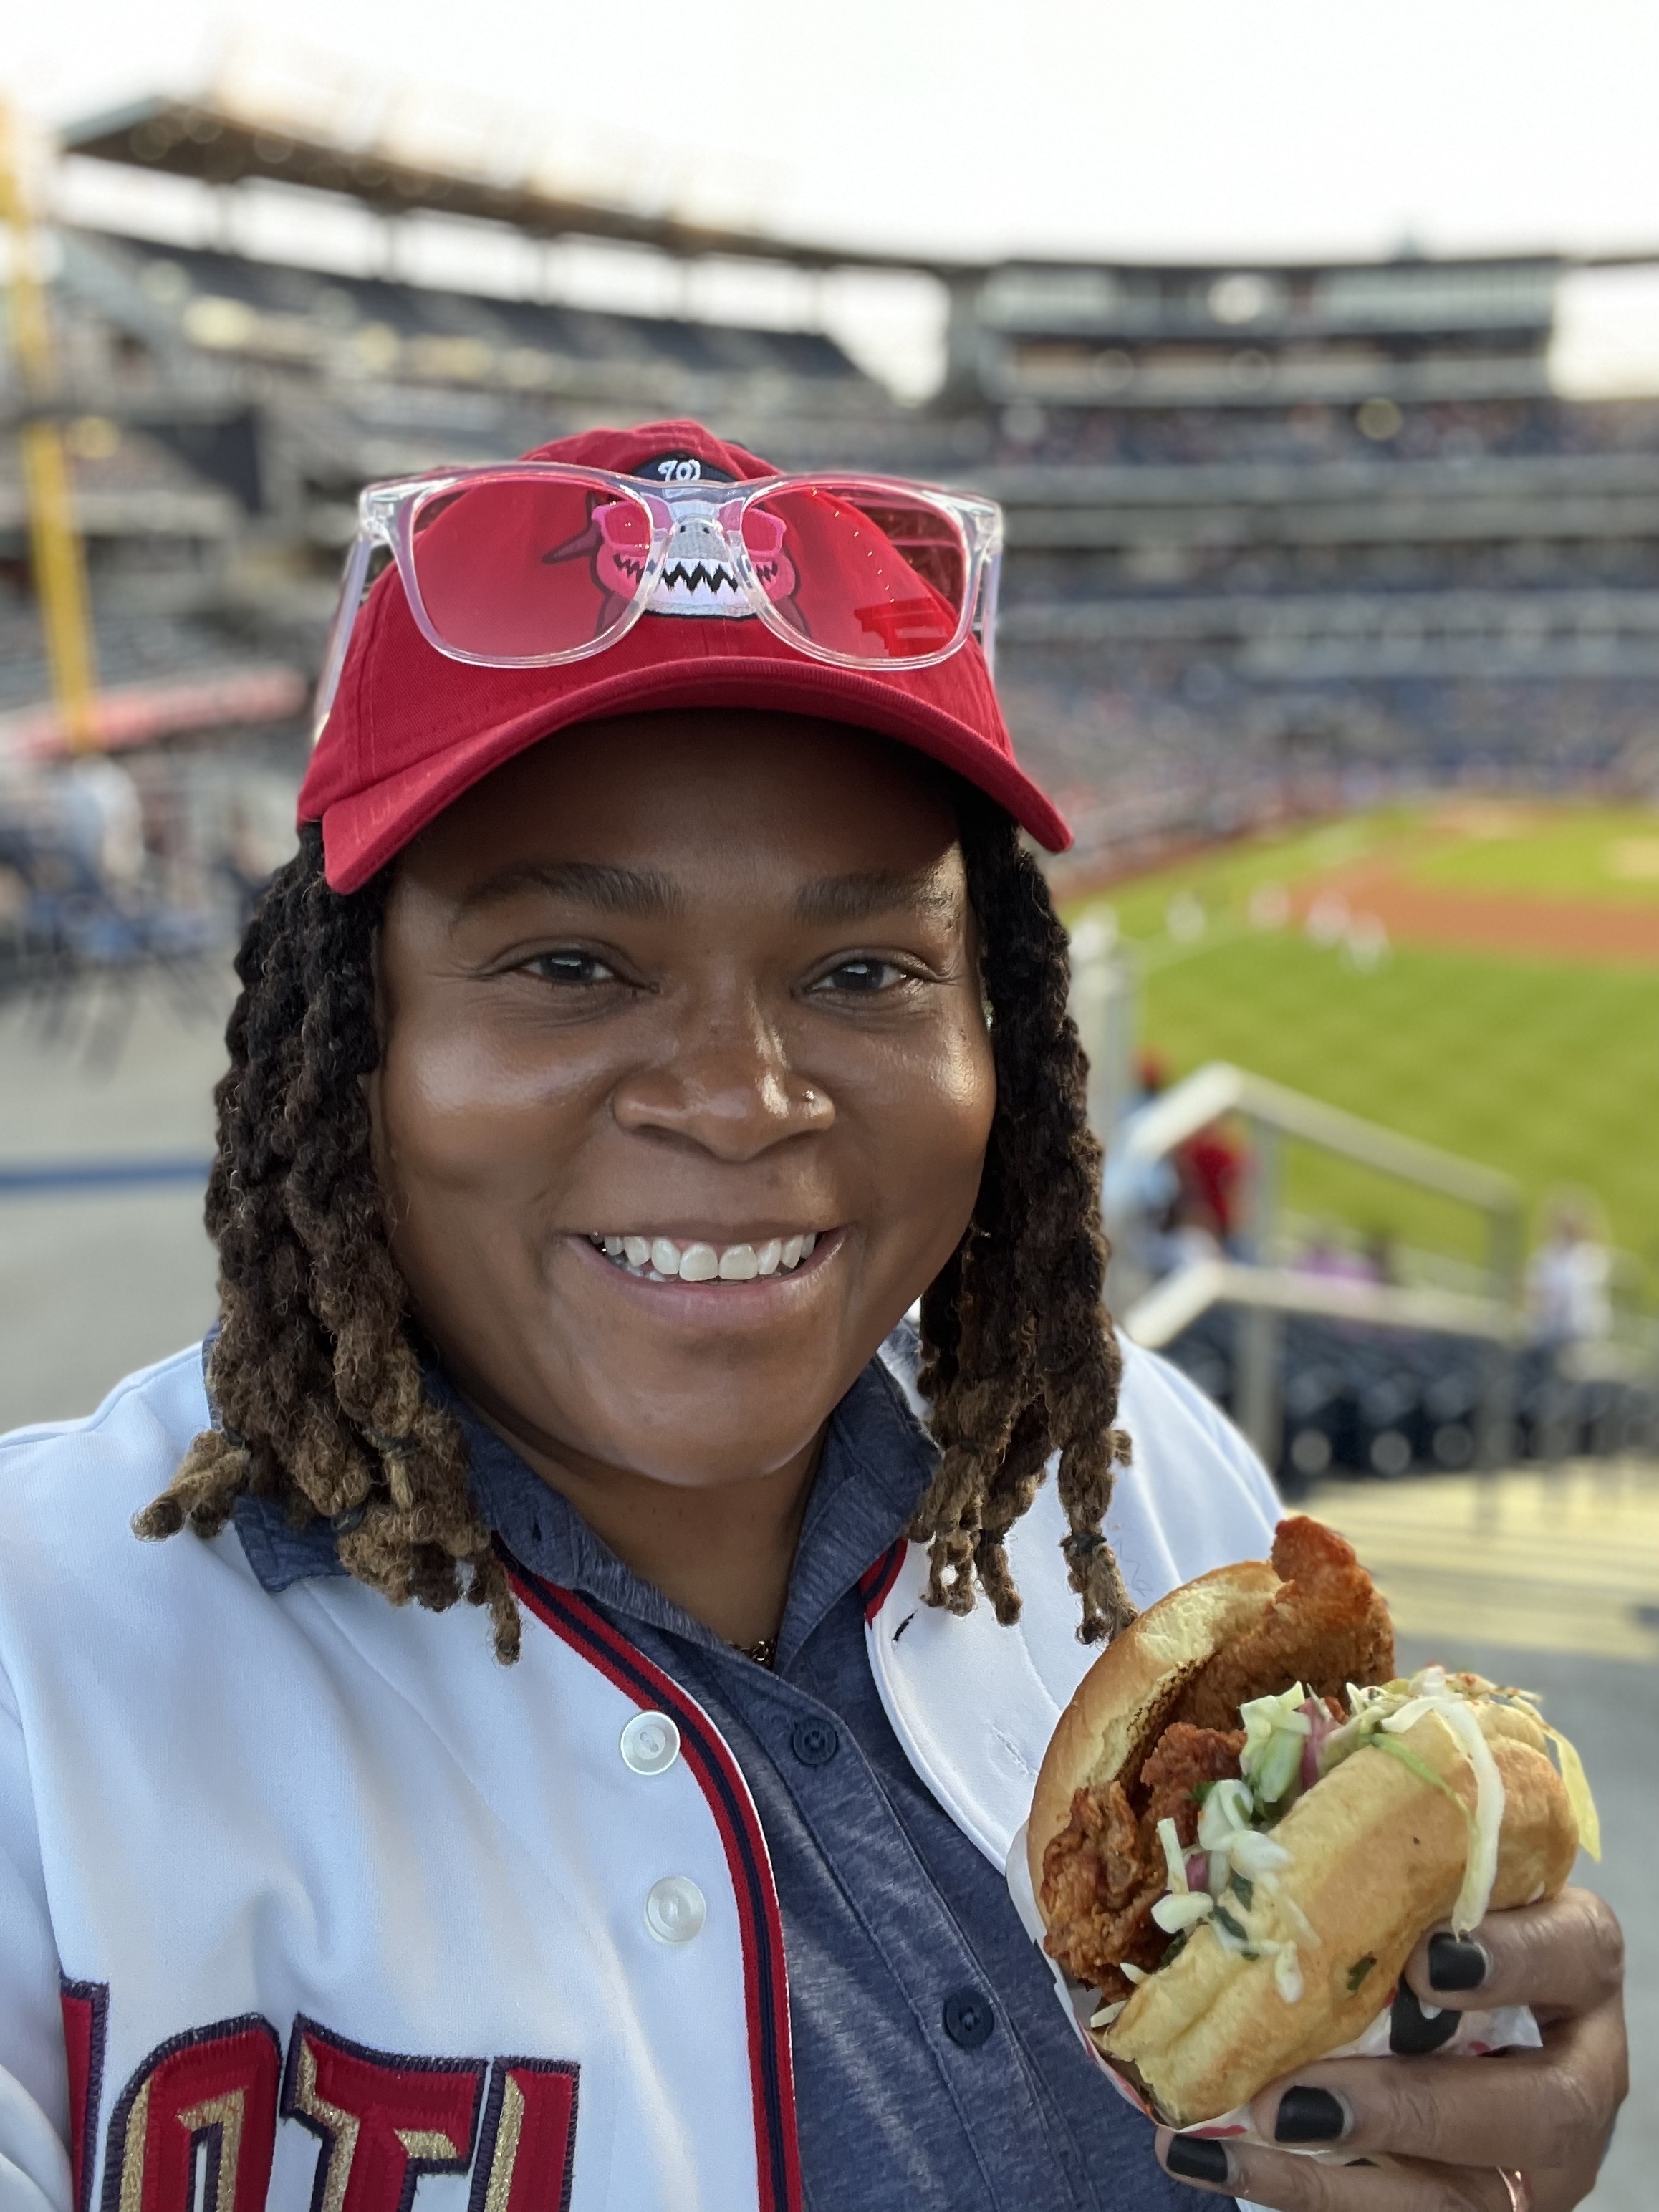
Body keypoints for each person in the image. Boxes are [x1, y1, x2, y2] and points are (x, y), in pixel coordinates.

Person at [0, 423, 1625, 2212]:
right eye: (570, 965)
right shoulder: (37, 1671)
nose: (739, 1094)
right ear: (352, 1037)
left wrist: (1458, 2139)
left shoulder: (1154, 1486)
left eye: (864, 970)